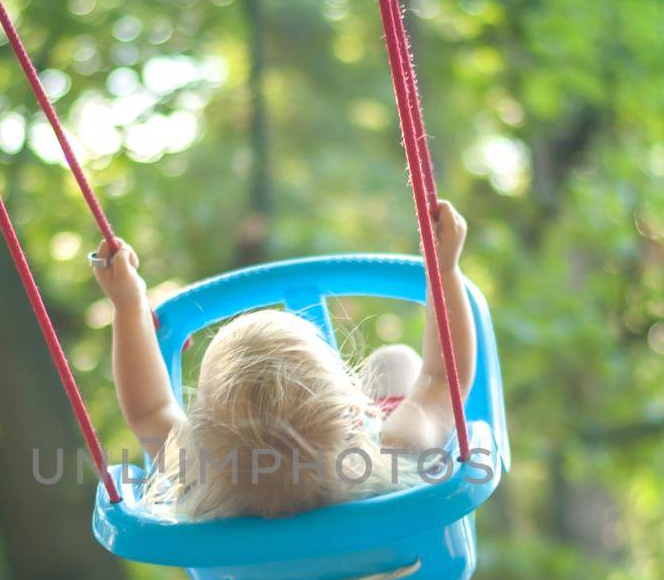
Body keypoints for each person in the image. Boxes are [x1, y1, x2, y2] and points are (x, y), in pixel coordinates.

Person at [90, 201, 475, 518]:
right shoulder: (397, 452)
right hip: (399, 570)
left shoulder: (201, 475)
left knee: (392, 369)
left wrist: (128, 306)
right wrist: (444, 270)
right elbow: (443, 378)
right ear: (357, 413)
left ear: (201, 438)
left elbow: (149, 409)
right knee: (395, 363)